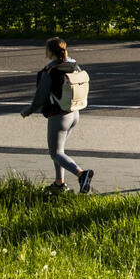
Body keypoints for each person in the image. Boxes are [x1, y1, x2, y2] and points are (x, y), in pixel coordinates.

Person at [20, 37, 94, 194]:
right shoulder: (74, 65)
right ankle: (59, 183)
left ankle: (82, 174)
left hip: (59, 116)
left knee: (56, 153)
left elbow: (40, 98)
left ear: (49, 51)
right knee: (60, 152)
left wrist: (28, 111)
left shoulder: (50, 71)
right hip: (74, 113)